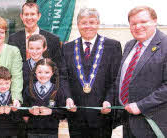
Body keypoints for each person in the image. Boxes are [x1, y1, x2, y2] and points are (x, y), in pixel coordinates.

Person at [102, 6, 167, 137]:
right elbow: (121, 79)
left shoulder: (165, 45)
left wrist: (141, 106)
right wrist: (110, 100)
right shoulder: (129, 45)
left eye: (143, 22)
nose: (138, 27)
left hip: (153, 123)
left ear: (155, 21)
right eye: (133, 23)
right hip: (128, 122)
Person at [61, 8, 122, 138]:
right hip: (76, 112)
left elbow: (116, 78)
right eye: (83, 22)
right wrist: (68, 97)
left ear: (98, 23)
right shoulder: (67, 48)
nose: (88, 26)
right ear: (78, 25)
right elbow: (63, 77)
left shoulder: (113, 46)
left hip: (102, 112)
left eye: (92, 22)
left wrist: (109, 101)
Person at [24, 58, 66, 138]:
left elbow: (63, 113)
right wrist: (30, 110)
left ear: (52, 73)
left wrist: (51, 111)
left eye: (47, 72)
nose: (43, 75)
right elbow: (22, 110)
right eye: (40, 72)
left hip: (51, 133)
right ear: (35, 72)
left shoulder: (57, 90)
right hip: (32, 133)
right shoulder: (29, 89)